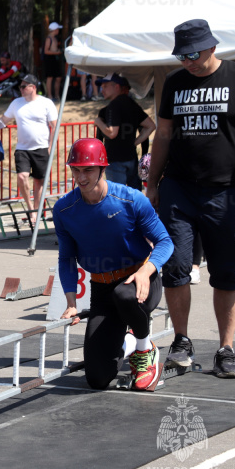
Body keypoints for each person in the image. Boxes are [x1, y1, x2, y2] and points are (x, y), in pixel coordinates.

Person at [146, 19, 235, 379]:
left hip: (227, 190)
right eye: (181, 56)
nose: (188, 62)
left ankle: (225, 349)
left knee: (227, 273)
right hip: (179, 188)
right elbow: (162, 135)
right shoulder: (176, 82)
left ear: (212, 47)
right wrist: (152, 183)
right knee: (176, 266)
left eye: (193, 54)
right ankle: (181, 341)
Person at [56, 138, 173, 390]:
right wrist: (71, 303)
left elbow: (165, 242)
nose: (81, 176)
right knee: (97, 378)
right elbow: (67, 258)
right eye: (75, 169)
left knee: (124, 295)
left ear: (102, 168)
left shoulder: (132, 200)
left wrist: (145, 271)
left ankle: (145, 351)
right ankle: (131, 343)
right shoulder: (64, 209)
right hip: (102, 291)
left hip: (140, 282)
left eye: (87, 169)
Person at [0, 74, 58, 220]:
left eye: (24, 86)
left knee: (39, 181)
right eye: (20, 86)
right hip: (22, 148)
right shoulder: (16, 103)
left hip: (41, 147)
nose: (21, 89)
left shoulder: (46, 103)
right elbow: (4, 120)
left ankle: (37, 213)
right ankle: (30, 209)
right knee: (22, 176)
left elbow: (55, 126)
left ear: (33, 87)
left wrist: (51, 146)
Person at [93, 73, 155, 190]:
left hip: (115, 159)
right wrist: (135, 142)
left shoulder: (113, 106)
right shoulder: (133, 105)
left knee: (117, 196)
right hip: (131, 158)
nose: (102, 89)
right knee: (135, 195)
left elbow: (112, 133)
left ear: (116, 87)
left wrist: (98, 122)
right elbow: (151, 126)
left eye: (105, 86)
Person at [43, 22, 63, 101]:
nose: (58, 30)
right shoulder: (49, 38)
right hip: (50, 60)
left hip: (55, 59)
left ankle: (57, 95)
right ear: (55, 30)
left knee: (58, 78)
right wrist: (57, 52)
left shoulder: (55, 38)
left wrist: (59, 51)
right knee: (50, 77)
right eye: (57, 29)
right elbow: (46, 51)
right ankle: (50, 96)